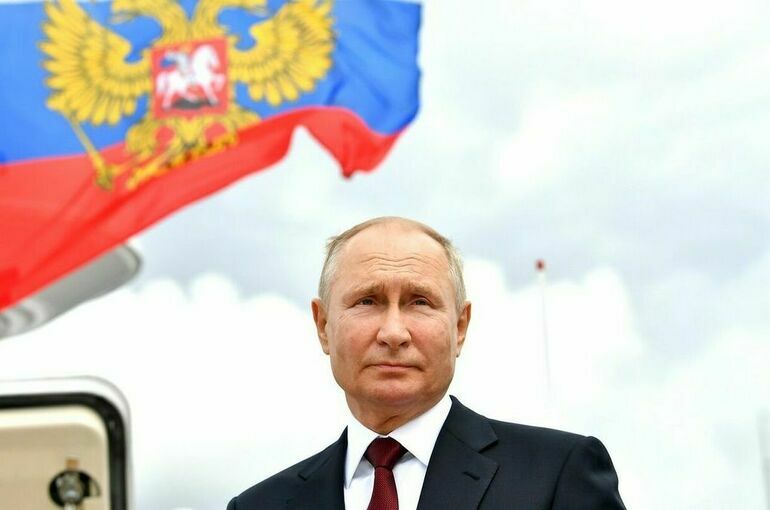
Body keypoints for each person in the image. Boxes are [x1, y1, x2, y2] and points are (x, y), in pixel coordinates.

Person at [227, 217, 626, 510]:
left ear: (460, 327)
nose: (393, 332)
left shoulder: (558, 475)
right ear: (323, 326)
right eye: (367, 301)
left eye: (420, 302)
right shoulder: (257, 506)